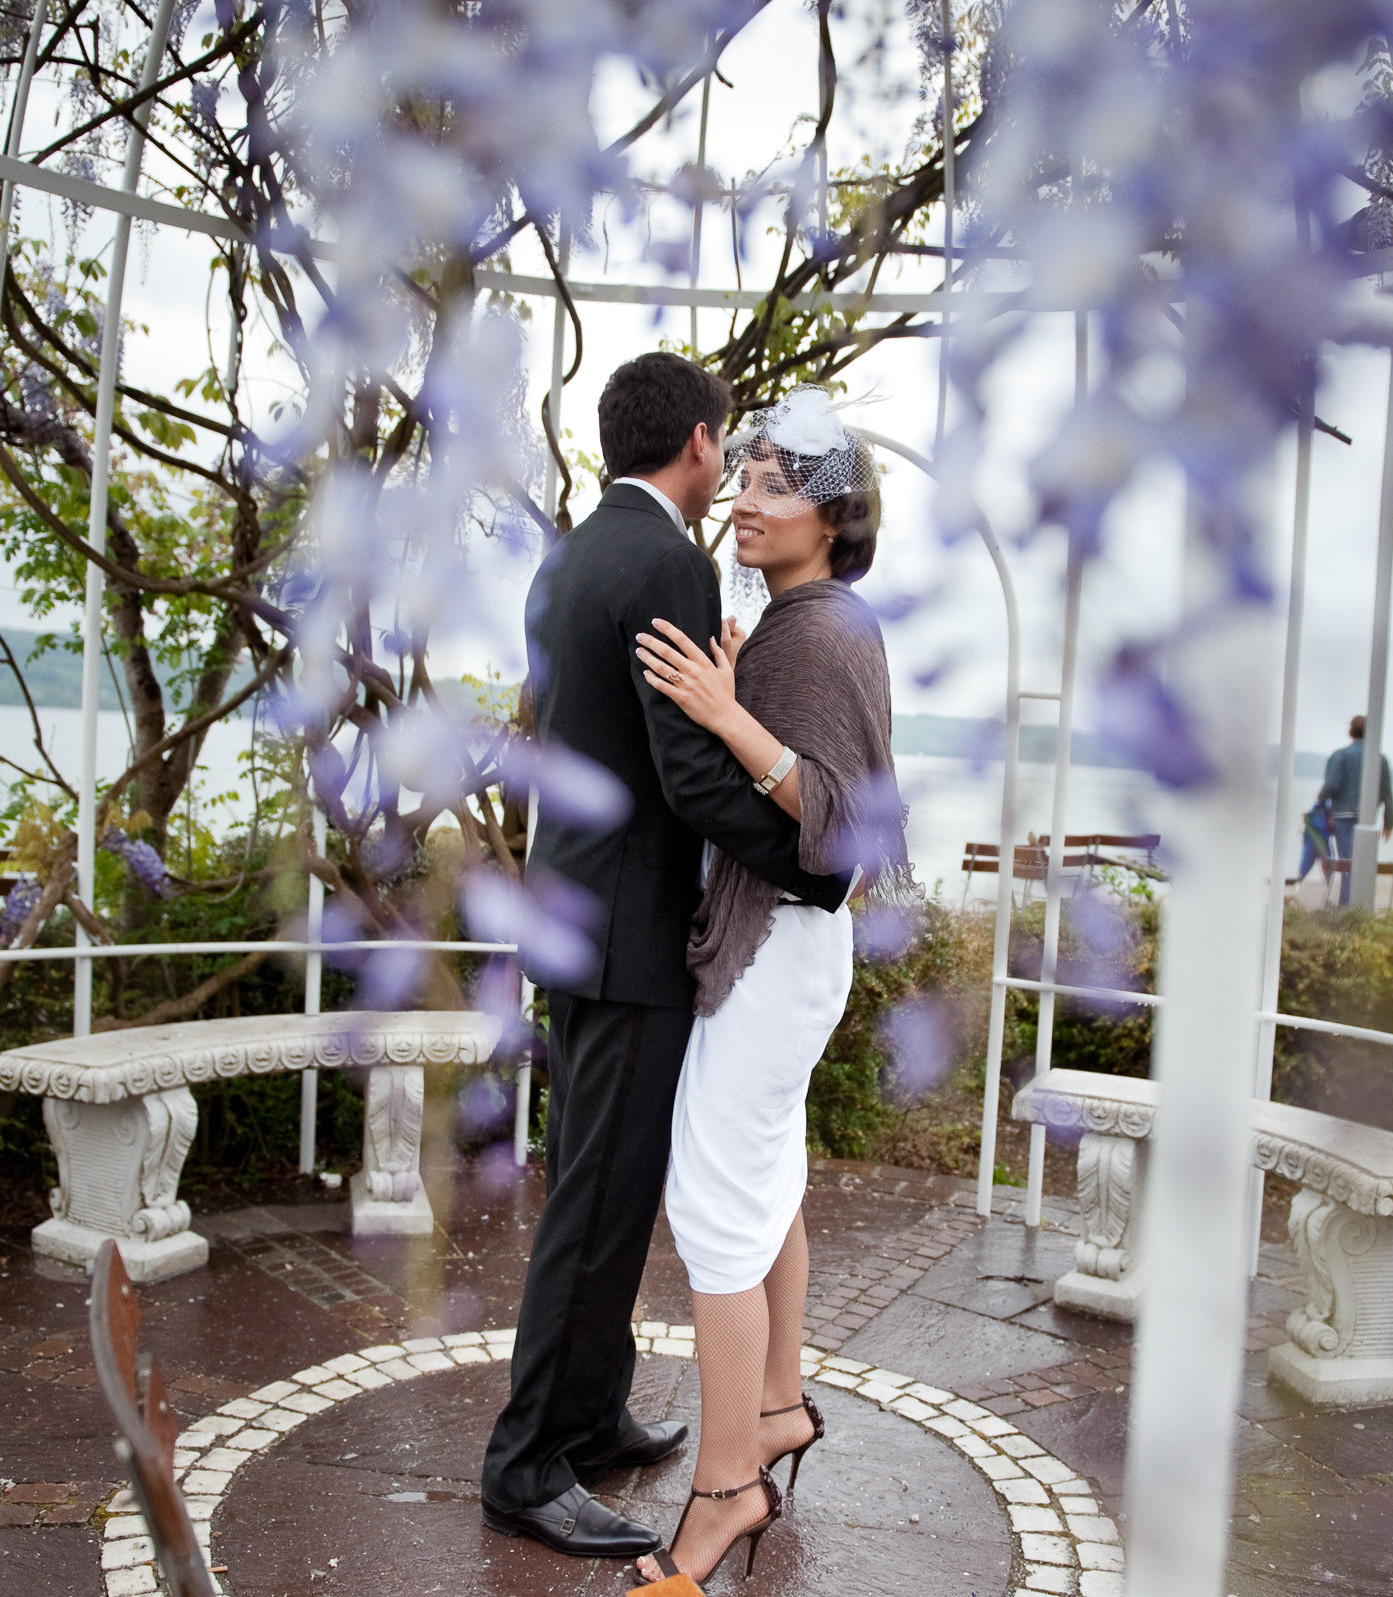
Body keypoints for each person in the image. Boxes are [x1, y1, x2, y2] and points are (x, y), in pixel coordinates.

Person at [480, 356, 857, 1560]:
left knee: (610, 1194)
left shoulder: (575, 551)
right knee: (597, 1210)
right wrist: (812, 864)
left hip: (580, 918)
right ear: (698, 444)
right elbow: (689, 772)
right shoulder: (667, 562)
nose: (735, 478)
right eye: (731, 455)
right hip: (632, 935)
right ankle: (528, 1456)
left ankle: (589, 1412)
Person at [625, 387, 908, 1588]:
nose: (744, 498)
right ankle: (779, 1402)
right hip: (789, 954)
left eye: (774, 485)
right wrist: (745, 694)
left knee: (715, 1220)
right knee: (767, 1184)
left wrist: (729, 717)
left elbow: (846, 827)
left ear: (834, 513)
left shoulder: (826, 629)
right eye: (740, 475)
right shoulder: (804, 620)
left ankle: (725, 1487)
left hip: (777, 949)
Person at [1317, 714, 1393, 906]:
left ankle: (1348, 908)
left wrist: (1319, 805)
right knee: (1361, 863)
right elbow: (1386, 792)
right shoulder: (1380, 758)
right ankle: (1358, 906)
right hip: (1368, 818)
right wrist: (1389, 822)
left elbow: (1331, 786)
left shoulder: (1340, 756)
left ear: (1350, 732)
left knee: (1348, 864)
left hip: (1343, 816)